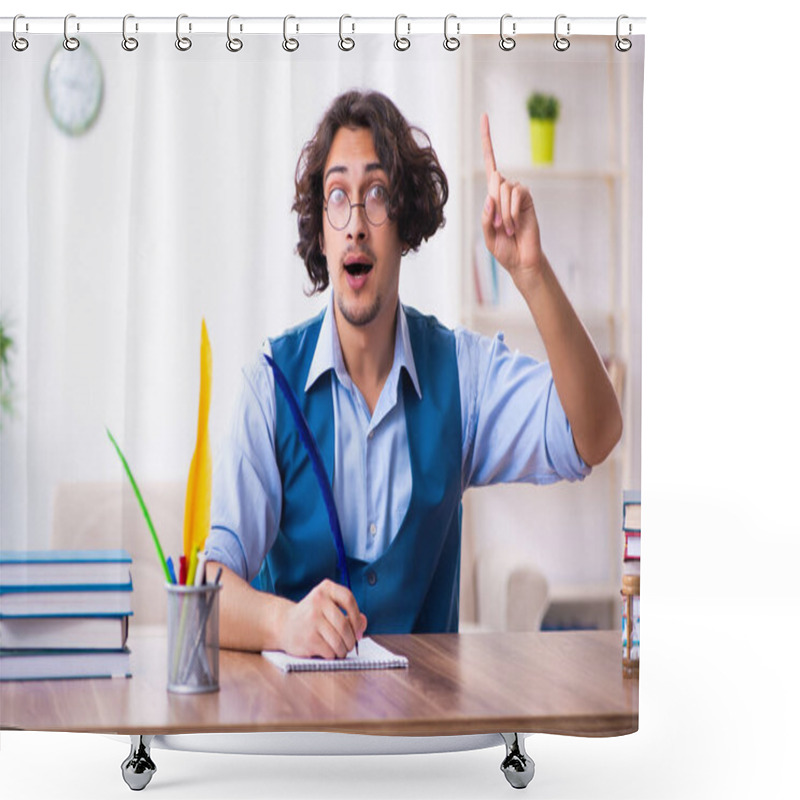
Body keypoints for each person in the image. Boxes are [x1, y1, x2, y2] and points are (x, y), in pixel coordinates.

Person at [204, 90, 622, 659]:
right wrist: (283, 624)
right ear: (321, 234)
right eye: (337, 198)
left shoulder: (463, 375)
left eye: (377, 194)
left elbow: (595, 433)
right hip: (296, 730)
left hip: (428, 733)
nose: (355, 223)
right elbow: (210, 592)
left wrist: (532, 274)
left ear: (405, 223)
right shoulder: (270, 385)